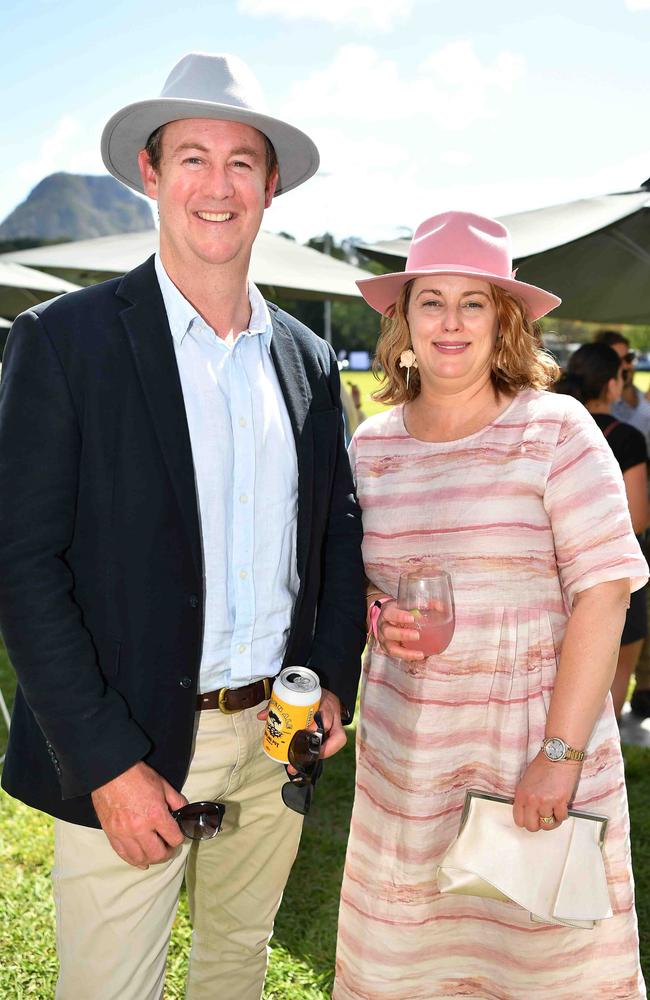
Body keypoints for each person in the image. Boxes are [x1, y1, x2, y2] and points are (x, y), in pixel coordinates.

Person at [0, 53, 366, 1000]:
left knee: (237, 967)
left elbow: (333, 536)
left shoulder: (310, 360)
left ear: (270, 184)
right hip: (133, 743)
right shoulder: (63, 341)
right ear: (151, 176)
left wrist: (331, 680)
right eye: (192, 158)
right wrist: (106, 764)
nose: (217, 184)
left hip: (275, 738)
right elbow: (23, 565)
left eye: (242, 161)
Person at [333, 211, 647, 999]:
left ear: (503, 321)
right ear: (401, 319)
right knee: (411, 969)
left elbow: (604, 592)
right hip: (410, 758)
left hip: (532, 749)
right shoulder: (372, 446)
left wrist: (559, 757)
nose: (449, 321)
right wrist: (380, 616)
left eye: (473, 302)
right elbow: (361, 582)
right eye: (429, 300)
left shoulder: (555, 429)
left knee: (543, 971)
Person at [556, 343, 648, 718]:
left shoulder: (552, 426)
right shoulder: (626, 437)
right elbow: (638, 517)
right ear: (612, 385)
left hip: (557, 575)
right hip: (613, 577)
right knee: (607, 691)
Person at [595, 330, 650, 454]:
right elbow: (624, 442)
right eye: (618, 361)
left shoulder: (641, 395)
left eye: (628, 358)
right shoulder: (603, 405)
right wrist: (647, 405)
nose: (626, 366)